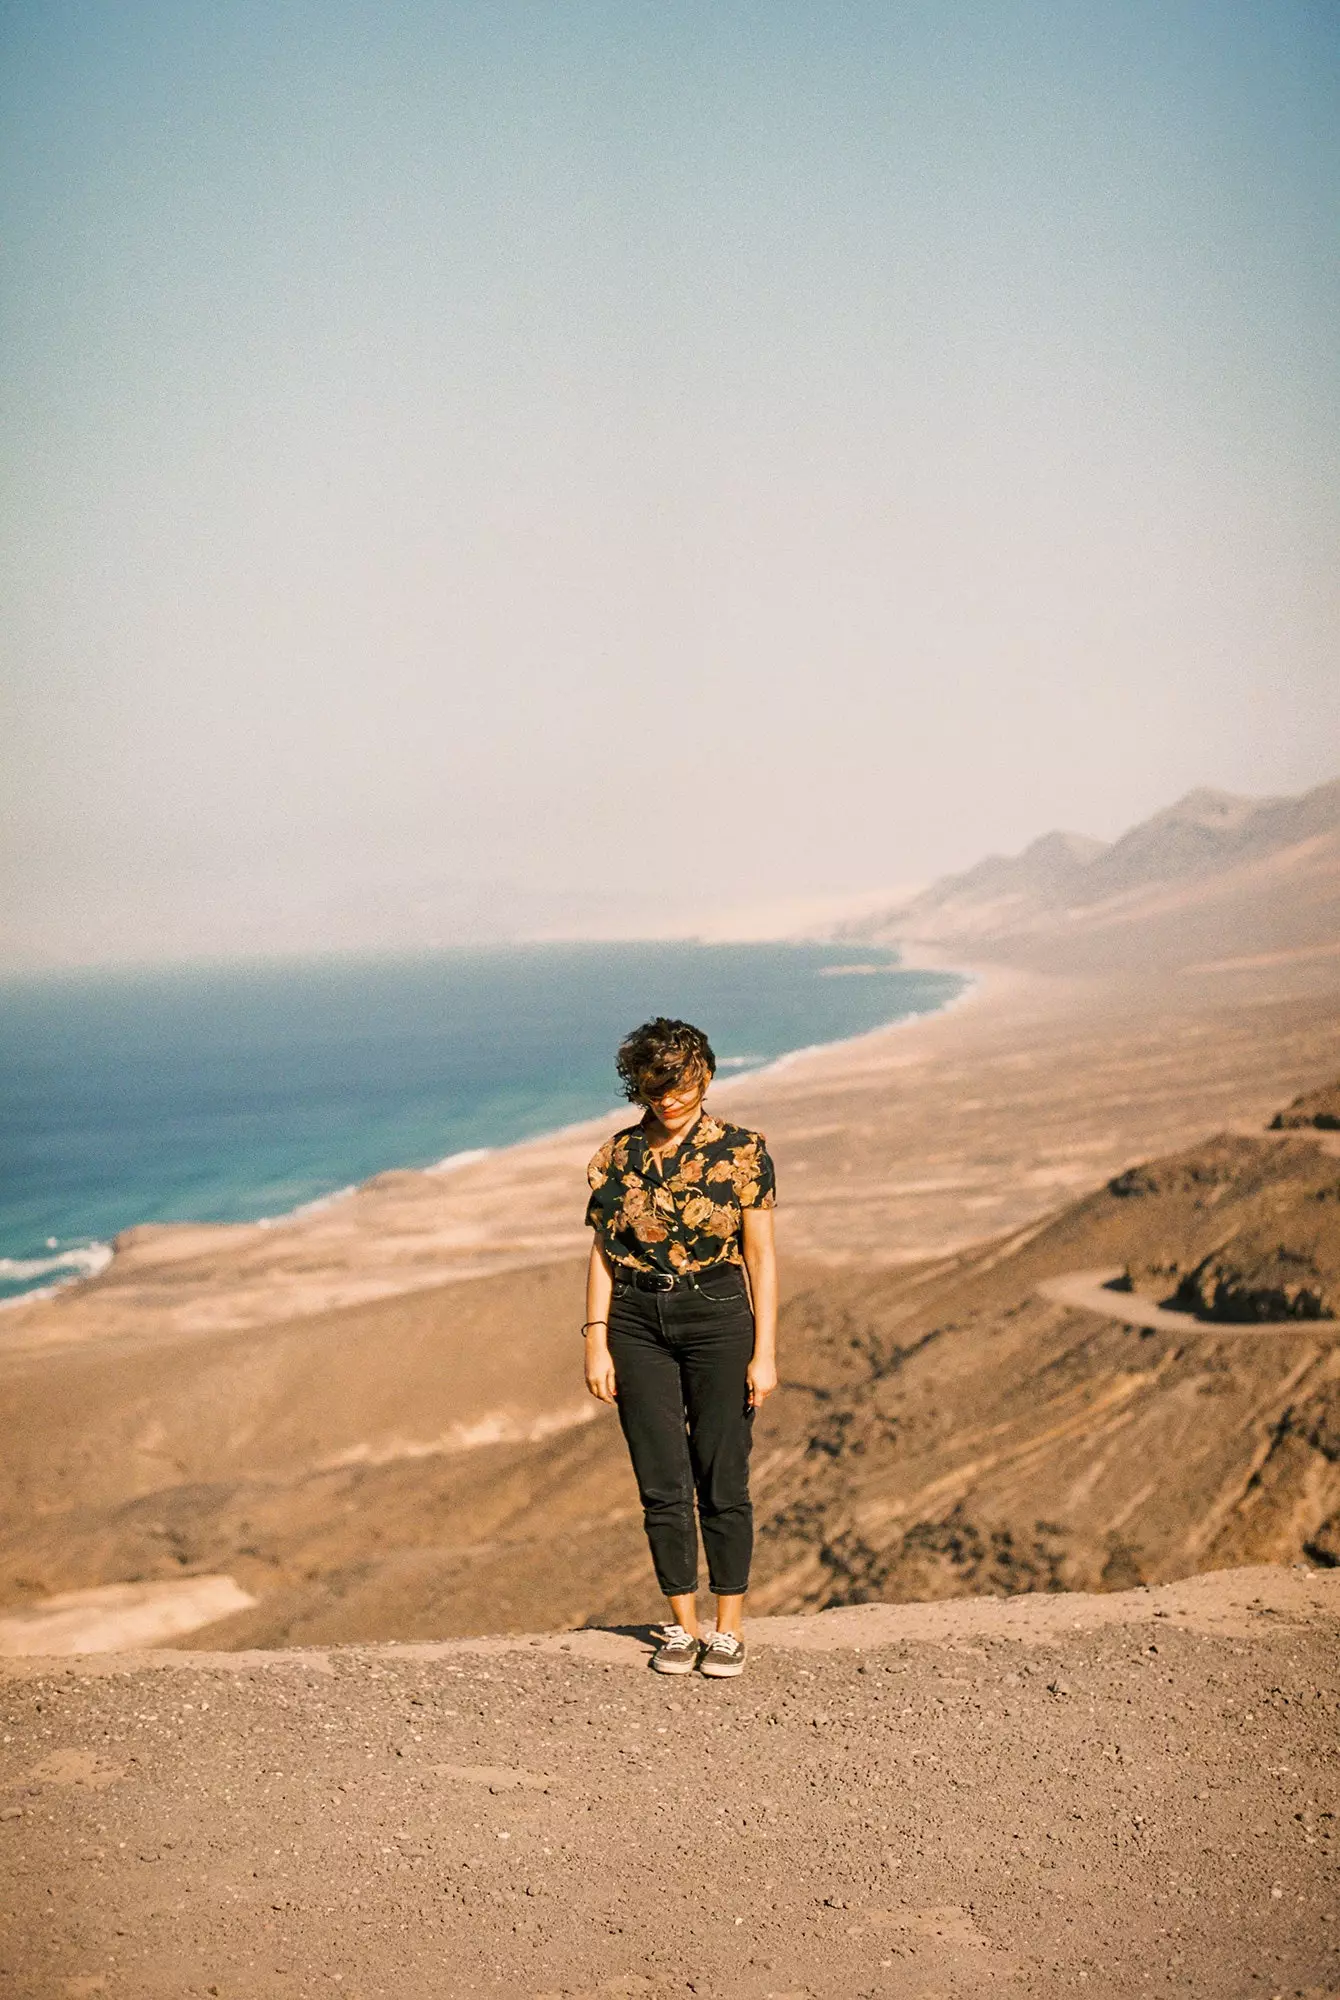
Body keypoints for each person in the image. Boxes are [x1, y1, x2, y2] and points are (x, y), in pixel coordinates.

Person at [582, 1016, 778, 1678]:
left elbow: (762, 1256)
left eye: (683, 1085)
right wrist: (596, 1340)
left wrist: (766, 1351)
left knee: (722, 1474)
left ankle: (728, 1629)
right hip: (636, 1319)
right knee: (661, 1480)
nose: (669, 1099)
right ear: (637, 1086)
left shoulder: (744, 1152)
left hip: (719, 1314)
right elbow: (603, 1254)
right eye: (655, 1086)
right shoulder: (615, 1157)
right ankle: (682, 1626)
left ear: (708, 1078)